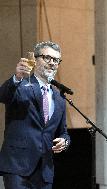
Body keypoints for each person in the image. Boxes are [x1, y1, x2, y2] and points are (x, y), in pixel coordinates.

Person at [0, 41, 71, 189]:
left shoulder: (59, 98)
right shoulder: (20, 86)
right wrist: (17, 78)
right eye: (47, 58)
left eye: (56, 60)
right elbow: (3, 96)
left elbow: (63, 132)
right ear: (35, 59)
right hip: (17, 167)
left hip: (45, 171)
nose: (52, 63)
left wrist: (65, 142)